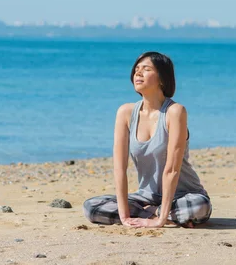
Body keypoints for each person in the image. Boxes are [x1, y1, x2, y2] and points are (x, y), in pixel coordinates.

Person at [83, 51, 212, 228]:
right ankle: (161, 214)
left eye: (146, 69)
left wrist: (159, 221)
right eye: (136, 69)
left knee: (199, 207)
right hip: (146, 197)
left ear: (162, 78)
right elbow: (119, 168)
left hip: (184, 194)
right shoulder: (126, 112)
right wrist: (124, 217)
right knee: (92, 207)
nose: (138, 73)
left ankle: (161, 214)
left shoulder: (175, 112)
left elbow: (172, 170)